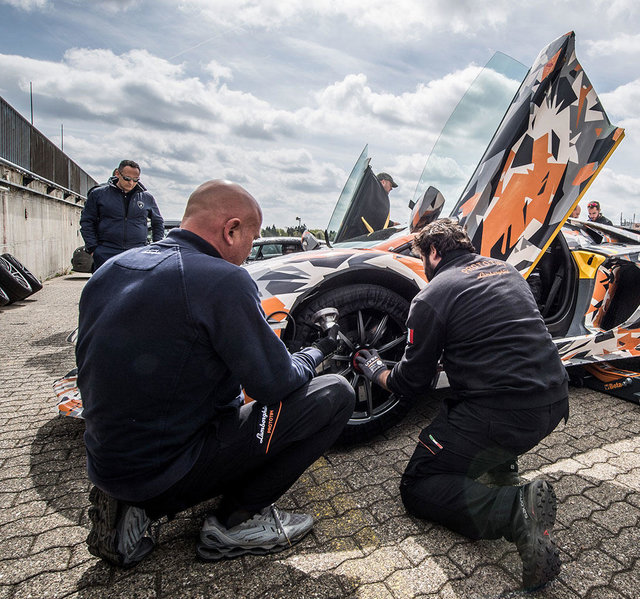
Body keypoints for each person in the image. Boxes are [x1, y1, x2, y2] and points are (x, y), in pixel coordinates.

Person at [77, 179, 355, 566]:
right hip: (169, 467)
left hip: (109, 459)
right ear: (231, 229)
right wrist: (318, 350)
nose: (248, 250)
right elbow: (273, 384)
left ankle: (131, 505)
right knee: (335, 392)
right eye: (252, 237)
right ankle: (234, 523)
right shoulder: (222, 280)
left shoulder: (112, 268)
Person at [354, 220, 569, 591]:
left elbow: (409, 383)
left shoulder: (434, 294)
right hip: (553, 401)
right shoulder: (508, 272)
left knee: (418, 485)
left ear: (434, 252)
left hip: (504, 415)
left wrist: (374, 369)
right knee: (472, 405)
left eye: (422, 257)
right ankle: (500, 463)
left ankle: (515, 510)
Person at [80, 159, 165, 271]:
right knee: (106, 287)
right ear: (117, 174)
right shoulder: (98, 194)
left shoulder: (146, 198)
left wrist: (156, 247)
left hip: (137, 252)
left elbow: (158, 222)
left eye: (136, 180)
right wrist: (93, 248)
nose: (131, 183)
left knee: (135, 288)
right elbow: (87, 221)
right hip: (107, 252)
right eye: (127, 178)